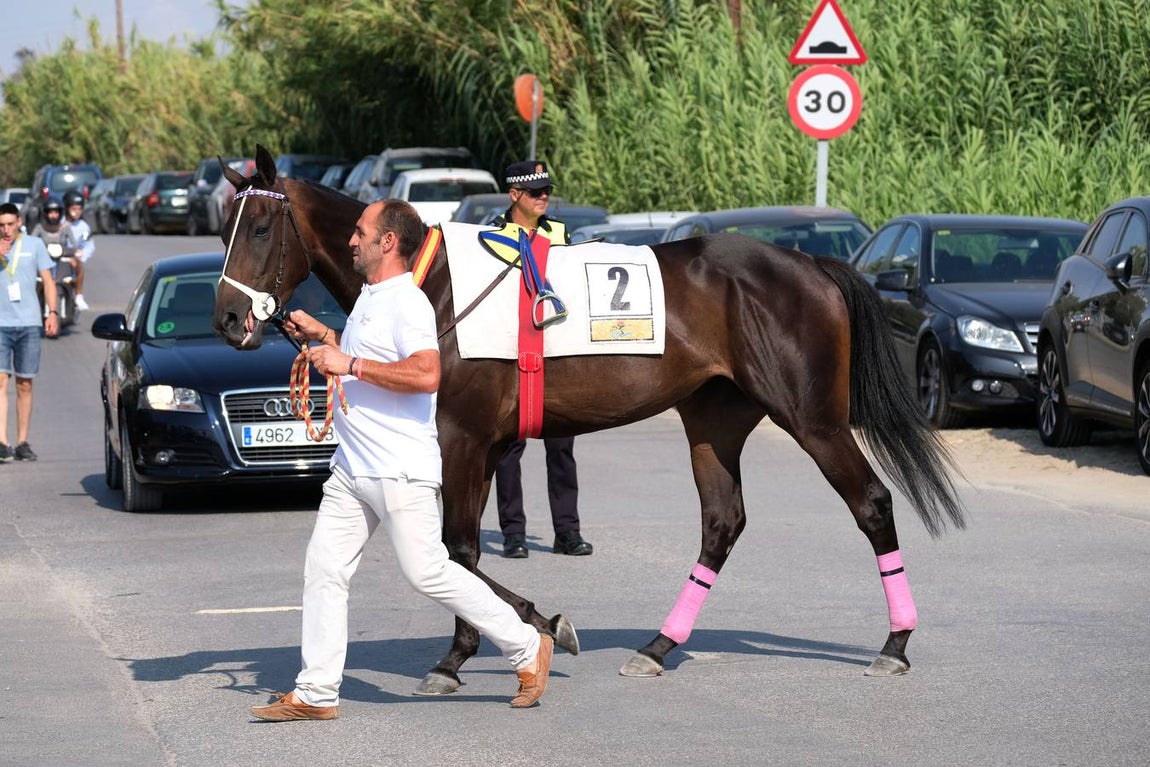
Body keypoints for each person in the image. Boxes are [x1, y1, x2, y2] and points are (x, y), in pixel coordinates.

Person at [252, 199, 554, 722]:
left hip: (398, 467)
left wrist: (346, 360)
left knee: (429, 573)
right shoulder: (371, 298)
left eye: (361, 231)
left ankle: (528, 645)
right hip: (352, 469)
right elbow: (370, 354)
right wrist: (323, 336)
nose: (351, 239)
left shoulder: (408, 303)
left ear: (388, 242)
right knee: (324, 571)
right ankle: (317, 692)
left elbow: (425, 374)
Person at [489, 160, 592, 559]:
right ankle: (514, 533)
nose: (544, 197)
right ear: (514, 195)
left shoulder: (560, 233)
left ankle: (567, 532)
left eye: (546, 190)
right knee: (508, 450)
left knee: (562, 448)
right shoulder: (494, 235)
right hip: (512, 352)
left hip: (554, 353)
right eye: (535, 192)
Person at [0, 202, 59, 462]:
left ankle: (22, 441)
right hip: (1, 324)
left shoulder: (34, 245)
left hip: (29, 323)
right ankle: (2, 441)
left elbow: (47, 280)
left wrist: (53, 313)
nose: (6, 231)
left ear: (19, 222)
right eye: (1, 226)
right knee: (0, 381)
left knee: (24, 383)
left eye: (10, 224)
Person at [62, 190, 93, 311]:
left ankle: (78, 295)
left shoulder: (84, 226)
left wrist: (82, 256)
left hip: (74, 257)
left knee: (79, 267)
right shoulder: (60, 223)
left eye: (79, 209)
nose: (77, 212)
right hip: (58, 254)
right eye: (74, 208)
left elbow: (89, 245)